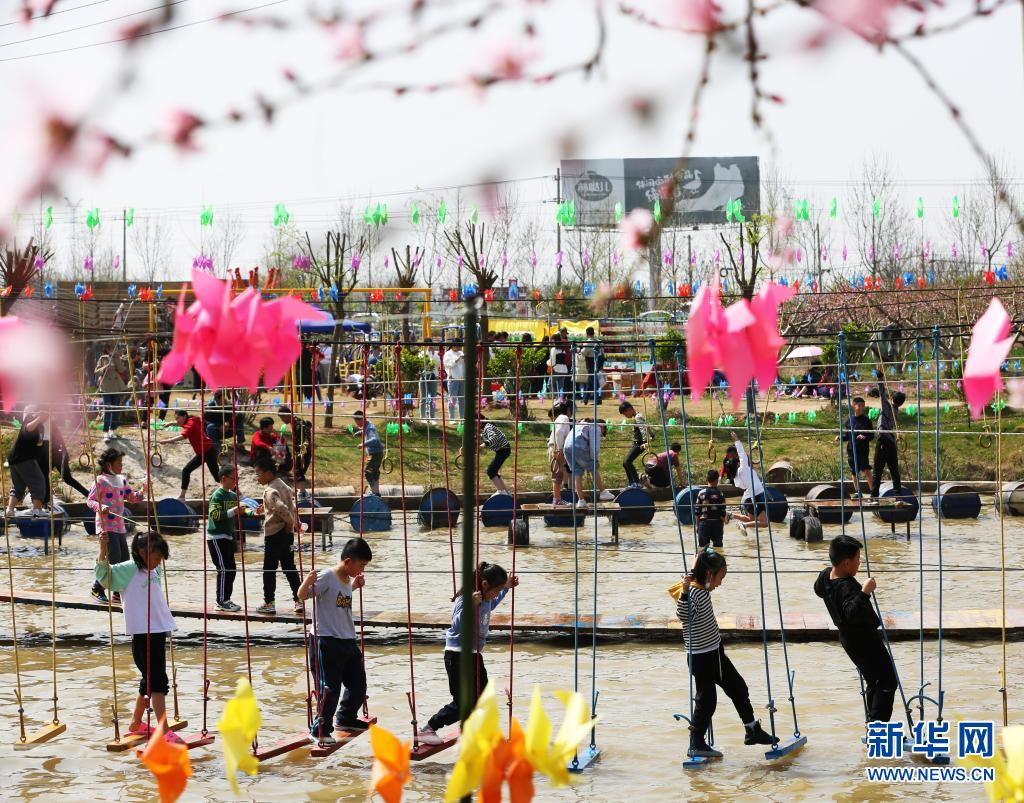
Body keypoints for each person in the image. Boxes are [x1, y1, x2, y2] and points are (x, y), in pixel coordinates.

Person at [675, 548, 776, 758]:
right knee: (707, 701)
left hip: (715, 653)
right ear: (709, 574)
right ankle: (696, 743)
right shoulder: (693, 592)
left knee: (738, 687)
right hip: (702, 657)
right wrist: (684, 590)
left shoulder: (700, 586)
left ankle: (752, 730)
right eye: (720, 578)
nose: (720, 583)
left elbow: (697, 571)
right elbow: (683, 615)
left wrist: (694, 566)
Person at [94, 531, 183, 743]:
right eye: (156, 557)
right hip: (143, 635)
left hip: (158, 631)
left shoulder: (153, 569)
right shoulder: (129, 569)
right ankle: (163, 730)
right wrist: (103, 548)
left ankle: (136, 723)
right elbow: (104, 576)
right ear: (143, 552)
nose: (159, 562)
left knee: (149, 680)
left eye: (161, 558)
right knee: (158, 682)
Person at [417, 562, 519, 746]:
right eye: (496, 590)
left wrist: (506, 588)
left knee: (483, 696)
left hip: (474, 654)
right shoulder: (467, 598)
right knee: (463, 702)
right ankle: (428, 729)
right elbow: (456, 625)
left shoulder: (485, 599)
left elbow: (492, 603)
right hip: (457, 655)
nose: (496, 594)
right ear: (485, 584)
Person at [297, 537, 373, 743]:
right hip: (326, 639)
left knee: (358, 685)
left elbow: (338, 599)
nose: (362, 570)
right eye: (361, 565)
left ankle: (345, 717)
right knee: (329, 689)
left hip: (347, 638)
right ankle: (319, 730)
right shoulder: (327, 576)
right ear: (348, 562)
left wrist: (354, 586)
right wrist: (307, 581)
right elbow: (302, 596)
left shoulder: (347, 578)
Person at [814, 535, 897, 723]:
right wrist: (865, 592)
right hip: (863, 641)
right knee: (887, 682)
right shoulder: (846, 587)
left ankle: (873, 725)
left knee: (874, 681)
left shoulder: (826, 575)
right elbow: (850, 612)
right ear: (845, 563)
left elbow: (818, 589)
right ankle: (877, 728)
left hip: (849, 639)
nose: (859, 563)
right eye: (857, 559)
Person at [88, 447, 148, 603]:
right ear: (109, 465)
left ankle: (117, 592)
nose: (121, 465)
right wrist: (100, 507)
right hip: (105, 526)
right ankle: (97, 588)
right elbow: (90, 501)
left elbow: (132, 498)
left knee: (124, 558)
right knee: (113, 557)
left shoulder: (121, 480)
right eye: (119, 463)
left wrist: (143, 490)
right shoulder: (100, 480)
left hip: (119, 526)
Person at [253, 456, 302, 616]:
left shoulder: (269, 490)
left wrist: (290, 521)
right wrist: (292, 523)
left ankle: (269, 603)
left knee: (269, 569)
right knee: (289, 567)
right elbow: (290, 505)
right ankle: (299, 600)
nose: (257, 477)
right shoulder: (283, 485)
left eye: (258, 474)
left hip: (275, 534)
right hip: (288, 535)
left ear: (268, 473)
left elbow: (281, 507)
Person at [160, 410, 220, 500]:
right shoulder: (190, 420)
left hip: (208, 452)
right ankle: (182, 496)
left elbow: (183, 436)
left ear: (184, 416)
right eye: (176, 419)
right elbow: (181, 424)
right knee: (186, 471)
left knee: (217, 476)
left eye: (178, 418)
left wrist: (167, 440)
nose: (177, 420)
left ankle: (236, 491)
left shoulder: (191, 424)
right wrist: (171, 423)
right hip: (202, 453)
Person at [5, 406, 50, 518]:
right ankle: (36, 510)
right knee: (39, 482)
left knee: (18, 486)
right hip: (24, 459)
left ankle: (10, 510)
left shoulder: (40, 426)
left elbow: (39, 443)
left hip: (16, 459)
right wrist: (39, 418)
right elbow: (28, 428)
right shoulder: (29, 419)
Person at [207, 466, 241, 612]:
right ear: (224, 479)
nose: (235, 481)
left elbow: (238, 512)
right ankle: (221, 601)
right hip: (216, 537)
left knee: (232, 569)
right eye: (234, 478)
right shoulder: (217, 495)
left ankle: (226, 599)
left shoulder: (233, 496)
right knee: (224, 569)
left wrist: (251, 511)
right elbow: (214, 515)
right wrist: (233, 511)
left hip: (228, 537)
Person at [870, 369, 905, 498]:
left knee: (877, 470)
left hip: (883, 441)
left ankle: (874, 497)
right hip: (891, 442)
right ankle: (898, 495)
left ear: (892, 398)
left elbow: (882, 392)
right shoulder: (896, 411)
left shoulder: (887, 407)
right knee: (894, 470)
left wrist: (880, 377)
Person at [562, 419, 615, 505]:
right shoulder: (596, 427)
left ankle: (581, 501)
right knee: (594, 467)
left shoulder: (580, 425)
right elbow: (594, 447)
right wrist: (595, 460)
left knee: (577, 473)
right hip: (577, 445)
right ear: (602, 427)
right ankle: (603, 492)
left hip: (567, 447)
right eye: (602, 433)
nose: (600, 435)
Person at [728, 432, 767, 531]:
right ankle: (743, 525)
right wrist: (736, 440)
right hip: (755, 497)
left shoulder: (736, 478)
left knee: (751, 520)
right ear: (737, 465)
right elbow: (742, 453)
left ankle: (731, 515)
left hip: (749, 498)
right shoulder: (743, 469)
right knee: (764, 523)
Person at [840, 396, 874, 494]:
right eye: (859, 405)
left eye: (863, 406)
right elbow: (847, 436)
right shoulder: (849, 420)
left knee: (866, 470)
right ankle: (857, 492)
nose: (861, 408)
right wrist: (841, 438)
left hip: (862, 450)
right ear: (853, 406)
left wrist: (864, 437)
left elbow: (871, 436)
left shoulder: (867, 421)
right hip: (851, 450)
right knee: (854, 471)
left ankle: (873, 491)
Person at [95, 347, 128, 441]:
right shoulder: (103, 358)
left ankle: (112, 430)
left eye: (115, 349)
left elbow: (121, 370)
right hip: (106, 387)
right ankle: (105, 432)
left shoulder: (117, 358)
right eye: (111, 349)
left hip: (116, 386)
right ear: (107, 349)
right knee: (108, 409)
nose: (113, 350)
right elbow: (96, 371)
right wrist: (105, 367)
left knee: (115, 409)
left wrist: (116, 358)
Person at [278, 405, 313, 487]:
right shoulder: (294, 422)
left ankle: (301, 488)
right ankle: (298, 479)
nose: (282, 420)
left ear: (287, 415)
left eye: (282, 417)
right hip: (302, 448)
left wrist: (301, 453)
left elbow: (305, 439)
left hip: (303, 448)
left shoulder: (297, 424)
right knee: (299, 469)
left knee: (299, 470)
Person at [547, 400, 573, 506]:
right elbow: (559, 432)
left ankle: (557, 499)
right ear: (568, 409)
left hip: (556, 448)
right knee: (557, 475)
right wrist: (560, 449)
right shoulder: (564, 417)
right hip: (556, 449)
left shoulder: (561, 418)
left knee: (558, 474)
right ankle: (557, 499)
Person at [353, 410, 384, 496]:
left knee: (368, 472)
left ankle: (373, 491)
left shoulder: (370, 428)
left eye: (356, 422)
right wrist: (360, 433)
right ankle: (376, 492)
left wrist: (363, 444)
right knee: (375, 472)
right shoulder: (367, 425)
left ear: (361, 419)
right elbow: (367, 432)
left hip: (375, 454)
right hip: (374, 454)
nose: (356, 424)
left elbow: (374, 439)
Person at [695, 470, 728, 549]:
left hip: (704, 524)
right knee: (718, 549)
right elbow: (723, 512)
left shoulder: (701, 493)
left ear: (707, 479)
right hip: (717, 523)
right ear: (717, 480)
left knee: (702, 549)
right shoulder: (721, 494)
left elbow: (697, 511)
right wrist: (722, 527)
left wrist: (697, 526)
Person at [619, 401, 648, 488]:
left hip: (640, 444)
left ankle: (636, 483)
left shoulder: (638, 417)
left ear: (629, 409)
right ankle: (632, 483)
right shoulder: (637, 416)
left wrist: (645, 442)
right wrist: (652, 435)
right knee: (625, 463)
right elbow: (646, 426)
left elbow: (643, 429)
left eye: (625, 414)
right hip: (637, 444)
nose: (625, 416)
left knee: (627, 462)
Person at [480, 420, 511, 495]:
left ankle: (501, 492)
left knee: (490, 471)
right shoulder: (486, 428)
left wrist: (485, 444)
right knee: (493, 471)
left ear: (480, 422)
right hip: (502, 450)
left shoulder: (488, 427)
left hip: (503, 450)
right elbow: (483, 436)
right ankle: (505, 492)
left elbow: (494, 438)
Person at [443, 343, 466, 423]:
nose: (460, 347)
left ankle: (462, 418)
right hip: (453, 379)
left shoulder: (461, 353)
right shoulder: (448, 354)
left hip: (462, 379)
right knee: (452, 400)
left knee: (462, 400)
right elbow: (447, 365)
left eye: (460, 346)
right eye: (459, 346)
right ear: (453, 346)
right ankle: (451, 418)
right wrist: (457, 359)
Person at [419, 339, 440, 421]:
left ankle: (432, 417)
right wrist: (428, 354)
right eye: (427, 344)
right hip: (424, 376)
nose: (429, 346)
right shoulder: (422, 353)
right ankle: (423, 417)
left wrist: (433, 354)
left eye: (430, 344)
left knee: (433, 397)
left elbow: (438, 364)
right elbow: (422, 364)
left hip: (434, 376)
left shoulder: (436, 354)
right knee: (423, 398)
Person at [547, 332, 570, 399]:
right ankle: (561, 398)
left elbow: (552, 362)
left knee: (549, 384)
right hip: (564, 369)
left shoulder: (553, 349)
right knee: (561, 386)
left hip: (556, 369)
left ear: (554, 340)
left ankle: (556, 397)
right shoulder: (563, 350)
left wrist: (547, 362)